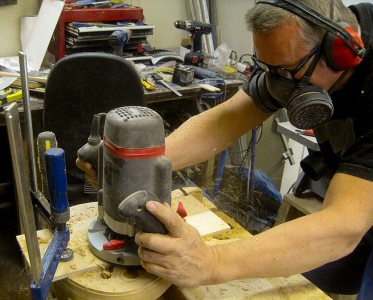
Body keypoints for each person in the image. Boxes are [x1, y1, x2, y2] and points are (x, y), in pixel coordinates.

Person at [76, 0, 373, 297]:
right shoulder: (296, 65)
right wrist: (135, 162)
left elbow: (344, 225)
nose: (280, 86)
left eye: (286, 70)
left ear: (341, 53)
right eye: (270, 70)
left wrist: (212, 262)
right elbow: (221, 122)